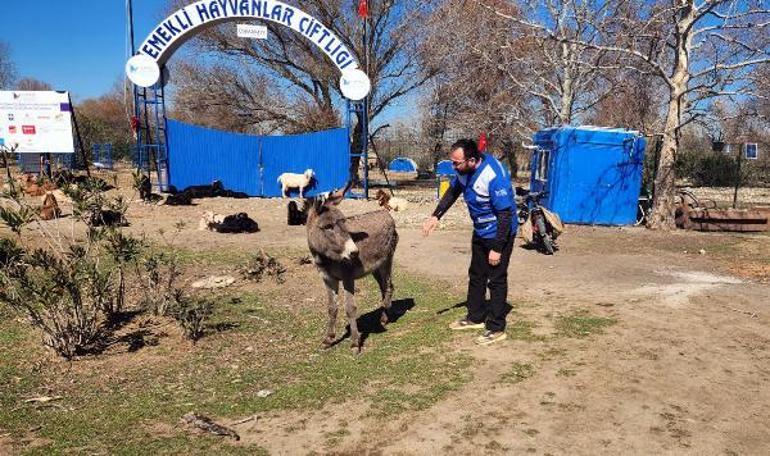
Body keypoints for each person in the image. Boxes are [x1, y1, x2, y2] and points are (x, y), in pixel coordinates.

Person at [423, 139, 517, 345]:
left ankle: (496, 327)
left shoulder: (493, 176)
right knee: (476, 274)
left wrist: (497, 248)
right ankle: (475, 316)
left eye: (457, 163)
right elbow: (453, 191)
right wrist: (436, 215)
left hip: (500, 232)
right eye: (452, 162)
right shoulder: (463, 171)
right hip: (481, 230)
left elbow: (505, 214)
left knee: (496, 278)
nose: (453, 167)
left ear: (472, 160)